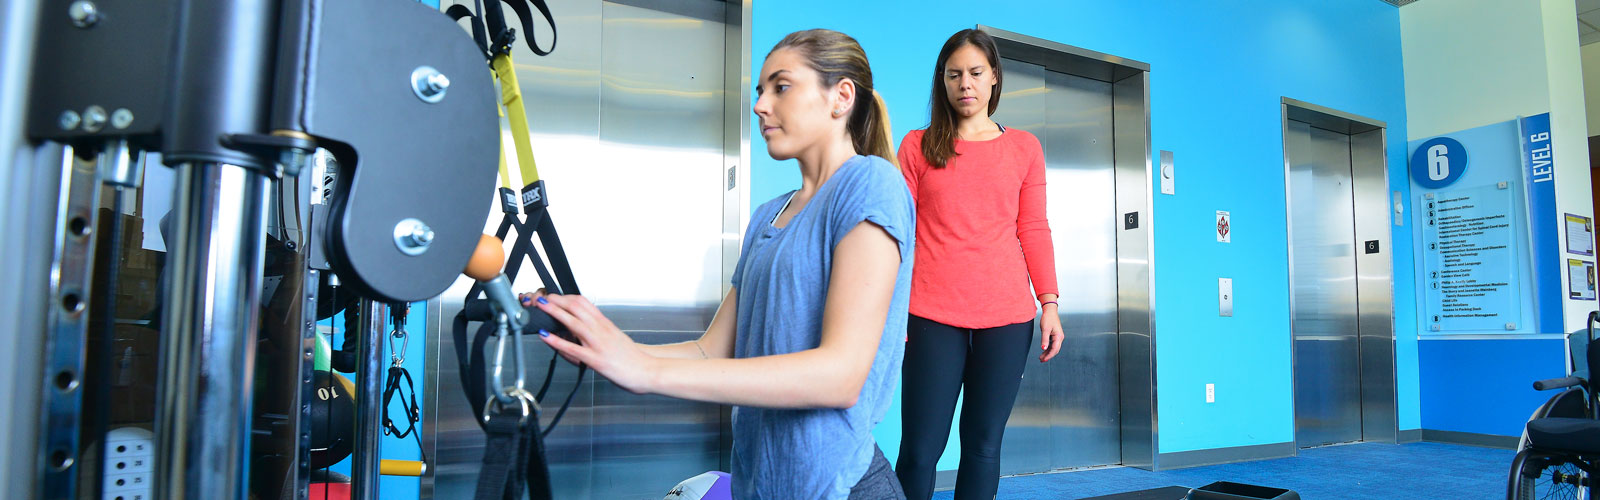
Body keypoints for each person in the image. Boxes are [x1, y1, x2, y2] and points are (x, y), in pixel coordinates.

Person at [528, 29, 914, 500]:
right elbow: (713, 350)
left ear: (841, 97)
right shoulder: (768, 215)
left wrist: (647, 373)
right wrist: (615, 348)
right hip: (761, 485)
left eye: (781, 86)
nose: (760, 105)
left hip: (842, 487)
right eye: (759, 91)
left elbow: (840, 375)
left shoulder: (871, 184)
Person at [892, 29, 1063, 500]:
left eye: (975, 73)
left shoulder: (1024, 148)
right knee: (920, 451)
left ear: (993, 79)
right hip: (931, 317)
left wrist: (1049, 303)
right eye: (954, 75)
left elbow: (1033, 227)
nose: (964, 83)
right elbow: (897, 236)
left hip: (1007, 320)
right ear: (942, 83)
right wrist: (886, 310)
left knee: (984, 448)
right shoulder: (917, 146)